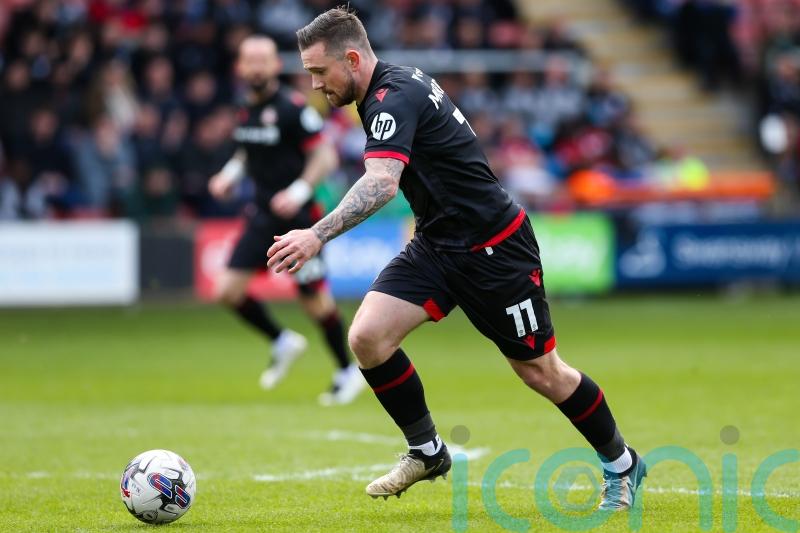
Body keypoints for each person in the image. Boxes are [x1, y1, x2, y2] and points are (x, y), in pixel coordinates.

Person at [267, 7, 647, 508]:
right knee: (367, 337)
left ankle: (623, 464)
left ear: (353, 58)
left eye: (319, 71)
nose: (315, 84)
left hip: (494, 247)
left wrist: (316, 234)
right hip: (438, 241)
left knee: (541, 372)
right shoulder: (388, 87)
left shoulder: (390, 96)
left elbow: (382, 184)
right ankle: (426, 451)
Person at [209, 35, 364, 406]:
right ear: (241, 67)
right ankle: (282, 341)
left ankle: (347, 370)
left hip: (299, 219)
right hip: (260, 215)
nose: (257, 67)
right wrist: (229, 174)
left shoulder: (295, 108)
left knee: (315, 302)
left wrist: (298, 190)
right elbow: (249, 151)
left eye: (264, 60)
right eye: (251, 60)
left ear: (277, 66)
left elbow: (324, 156)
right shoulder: (244, 108)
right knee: (227, 292)